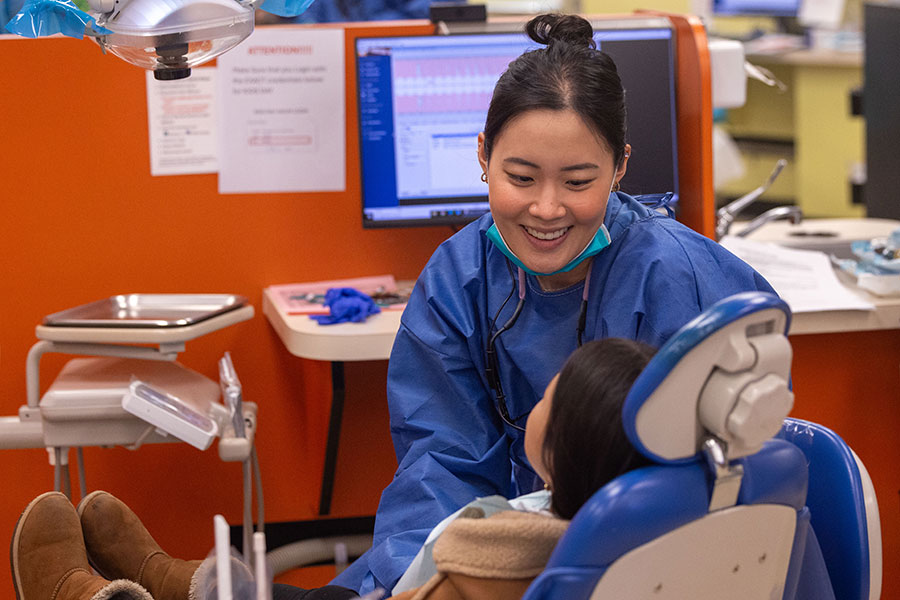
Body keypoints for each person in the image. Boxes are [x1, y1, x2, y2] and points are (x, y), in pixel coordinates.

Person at [332, 11, 776, 596]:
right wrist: (424, 576)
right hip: (509, 547)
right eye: (520, 177)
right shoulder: (458, 279)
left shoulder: (676, 278)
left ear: (619, 167)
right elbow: (439, 465)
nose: (546, 209)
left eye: (576, 181)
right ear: (484, 156)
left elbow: (709, 487)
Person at [9, 338, 655, 600]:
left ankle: (89, 596)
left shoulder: (495, 550)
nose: (538, 391)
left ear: (560, 453)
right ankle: (176, 580)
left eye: (548, 396)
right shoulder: (628, 530)